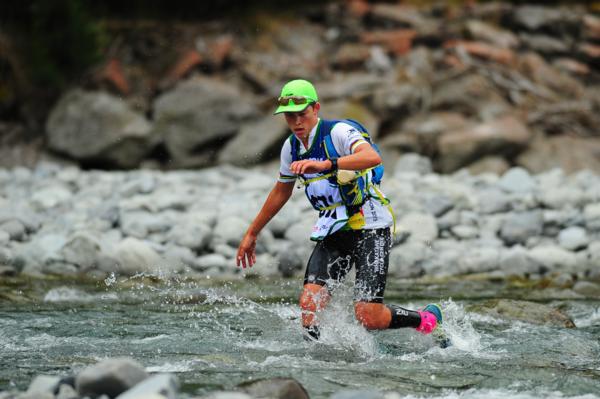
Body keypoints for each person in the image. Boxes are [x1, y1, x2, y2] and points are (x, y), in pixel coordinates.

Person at [236, 79, 442, 341]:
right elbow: (281, 190)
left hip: (371, 227)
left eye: (303, 114)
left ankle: (427, 319)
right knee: (310, 306)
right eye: (290, 116)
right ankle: (322, 361)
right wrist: (252, 233)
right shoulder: (291, 147)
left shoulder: (338, 132)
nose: (297, 122)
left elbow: (372, 157)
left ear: (316, 109)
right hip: (334, 228)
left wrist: (325, 165)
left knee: (368, 316)